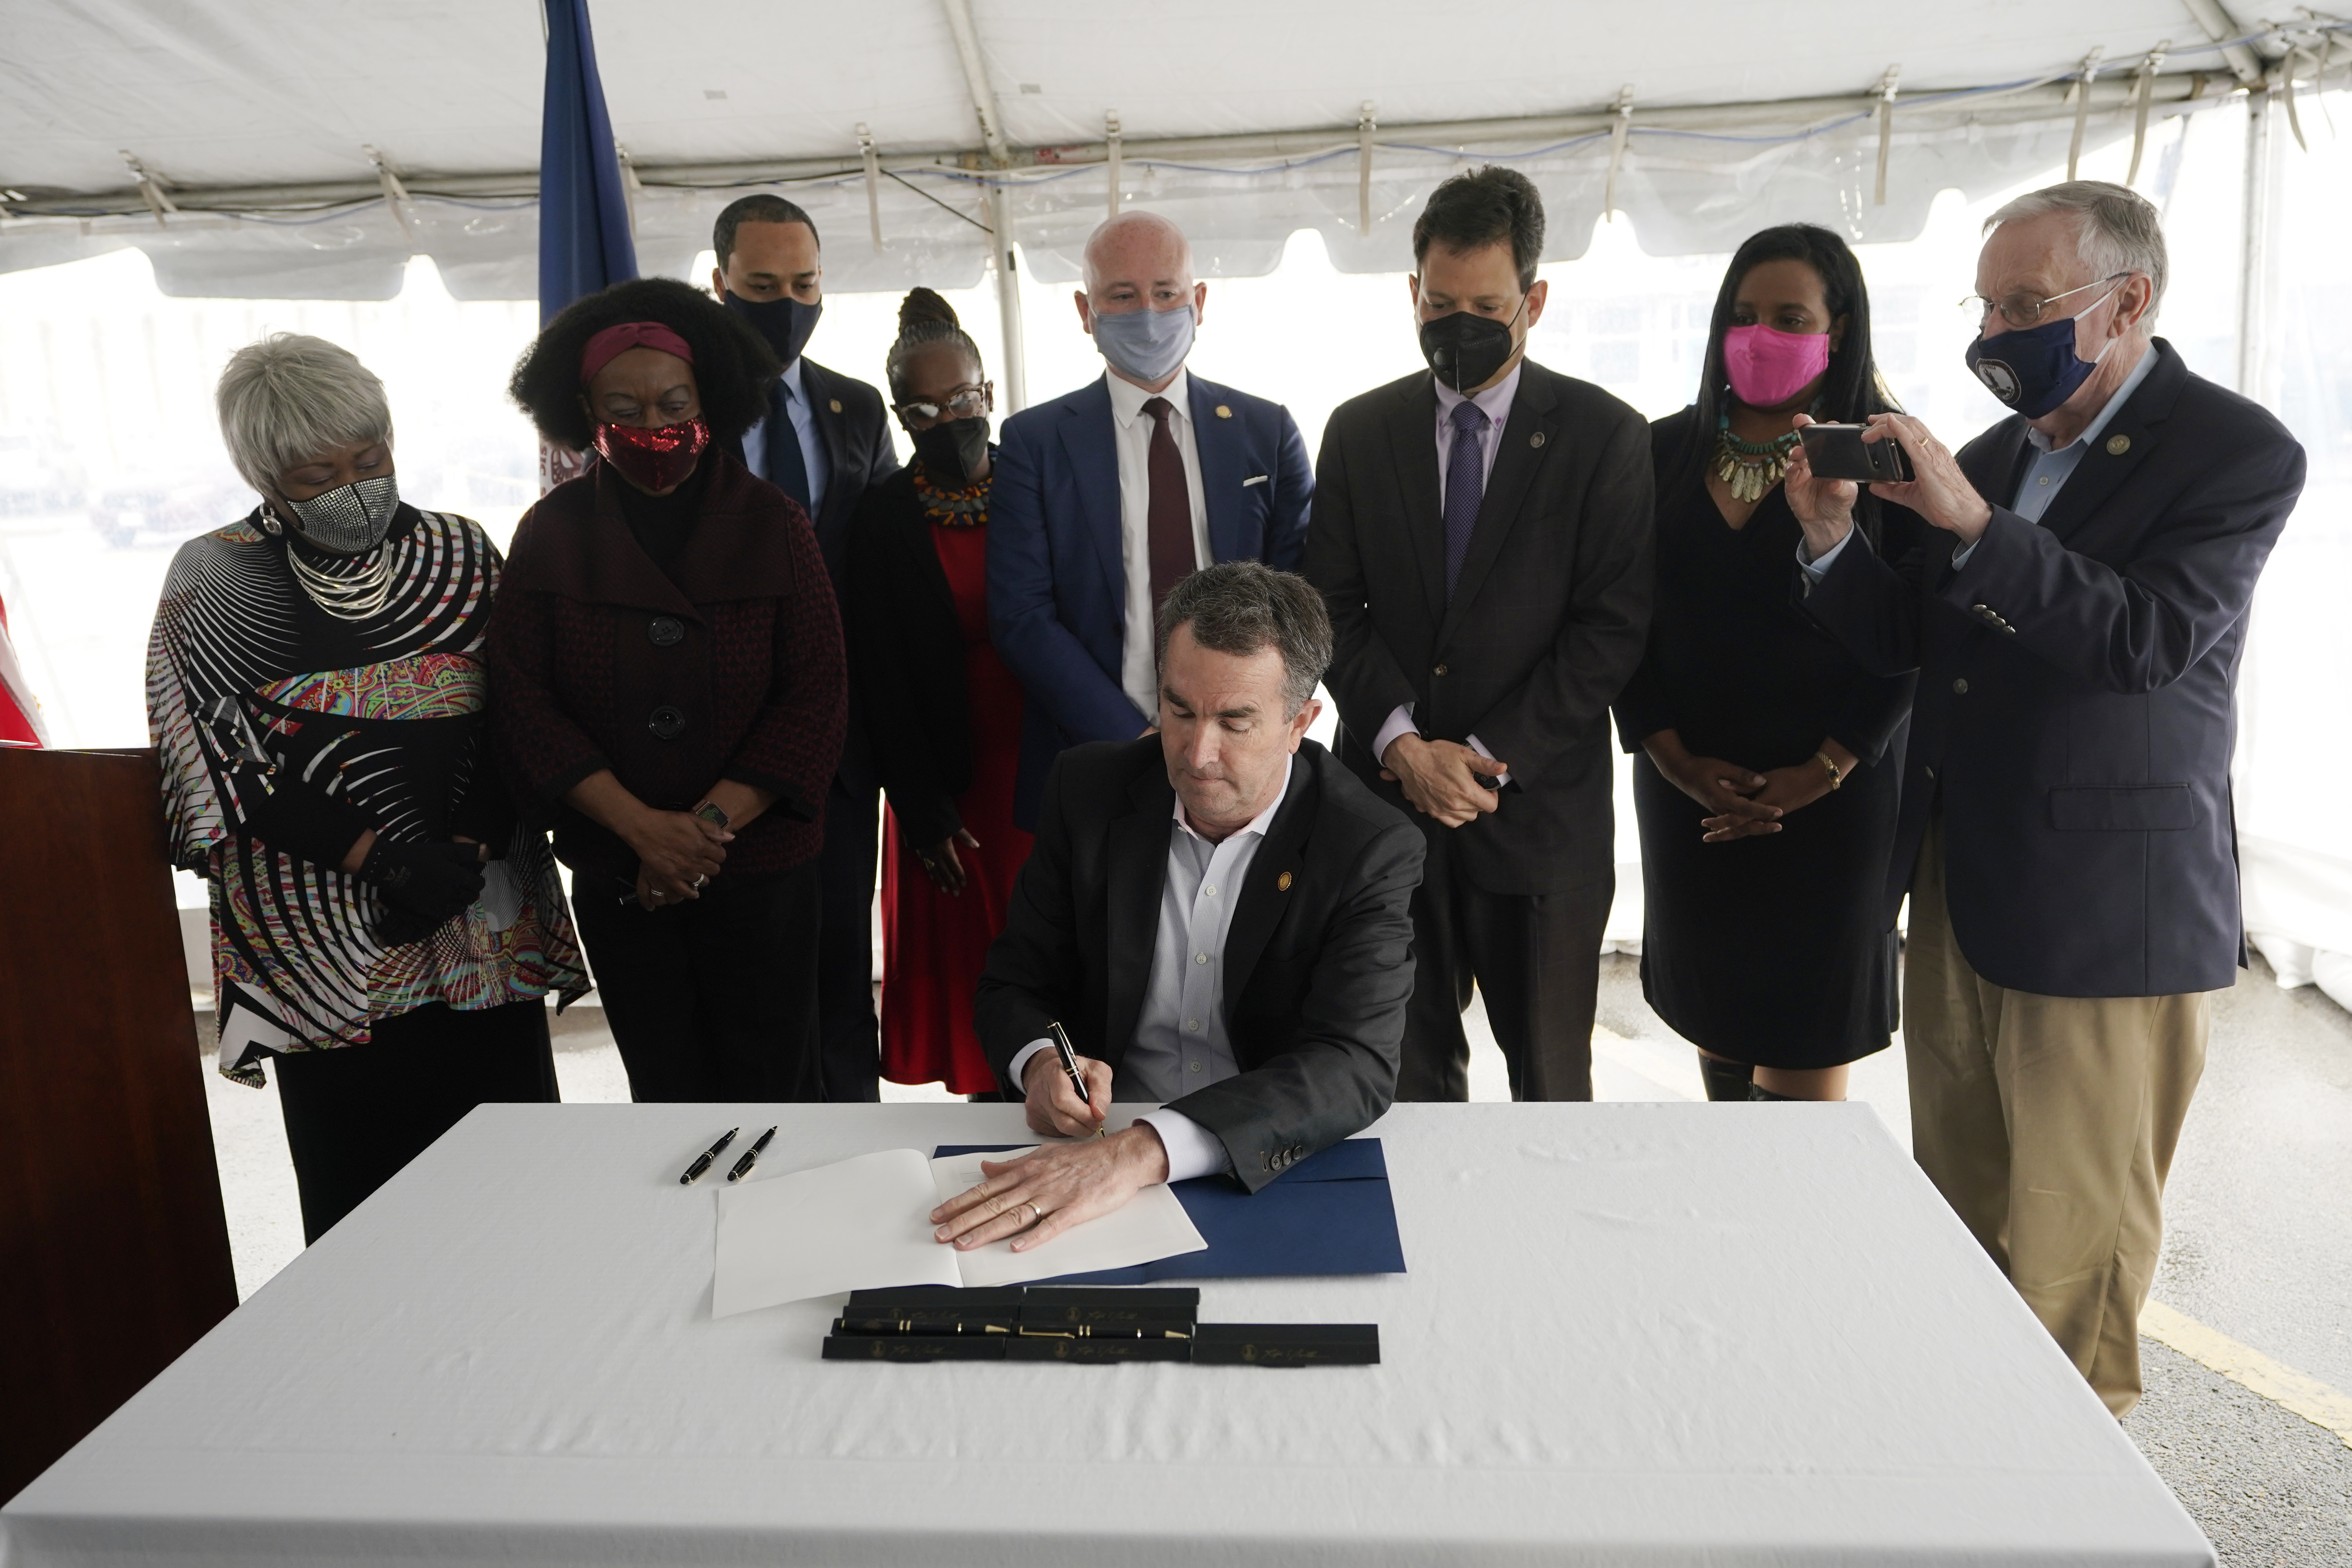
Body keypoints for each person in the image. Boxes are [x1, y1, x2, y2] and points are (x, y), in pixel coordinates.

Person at [1784, 180, 2305, 1416]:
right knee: (1963, 1217)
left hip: (2102, 910)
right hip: (1962, 881)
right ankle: (1979, 1464)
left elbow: (2146, 641)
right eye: (1986, 304)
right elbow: (1901, 640)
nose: (1993, 331)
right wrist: (1827, 538)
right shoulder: (1998, 455)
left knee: (2075, 1253)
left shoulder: (2235, 451)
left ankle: (2080, 1504)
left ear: (2127, 302)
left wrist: (1969, 525)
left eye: (2026, 304)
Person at [148, 333, 586, 1243]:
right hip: (327, 942)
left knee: (519, 1188)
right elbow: (223, 758)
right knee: (363, 1204)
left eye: (370, 458)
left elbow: (520, 712)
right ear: (262, 473)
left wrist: (463, 847)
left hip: (475, 914)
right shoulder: (213, 575)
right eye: (317, 474)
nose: (355, 487)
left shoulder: (462, 550)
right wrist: (382, 859)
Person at [936, 562, 1420, 1249]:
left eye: (1235, 721)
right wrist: (1042, 1065)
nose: (1198, 754)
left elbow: (1354, 1063)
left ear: (1300, 722)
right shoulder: (1087, 791)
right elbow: (1013, 984)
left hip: (1257, 1166)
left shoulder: (1369, 846)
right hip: (1086, 1156)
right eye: (1179, 711)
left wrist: (1141, 1152)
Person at [1305, 165, 1652, 1103]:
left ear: (1533, 300)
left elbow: (1610, 631)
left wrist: (1486, 757)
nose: (1459, 325)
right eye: (1440, 302)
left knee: (1550, 1084)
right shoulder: (1359, 431)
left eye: (1488, 304)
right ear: (1412, 294)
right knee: (1400, 1087)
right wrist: (1404, 745)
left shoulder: (1604, 436)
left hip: (1536, 822)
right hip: (1385, 809)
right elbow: (1331, 603)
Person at [489, 278, 847, 1103]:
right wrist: (643, 834)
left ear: (708, 397)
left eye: (673, 401)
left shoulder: (775, 521)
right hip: (622, 873)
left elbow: (817, 694)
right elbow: (523, 702)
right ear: (584, 409)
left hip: (761, 875)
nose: (653, 425)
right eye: (626, 406)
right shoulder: (549, 532)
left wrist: (700, 835)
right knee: (665, 1093)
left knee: (776, 1096)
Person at [1612, 225, 1922, 1103]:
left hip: (1830, 804)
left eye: (1790, 318)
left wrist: (1820, 772)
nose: (1761, 335)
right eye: (1744, 316)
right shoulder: (1655, 452)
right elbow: (1618, 623)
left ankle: (1800, 1233)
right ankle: (1734, 1225)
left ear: (1841, 329)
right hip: (1688, 798)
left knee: (1800, 1060)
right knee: (1720, 1027)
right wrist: (1671, 758)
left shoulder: (1886, 461)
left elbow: (1906, 643)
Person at [988, 209, 1313, 833]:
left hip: (1246, 766)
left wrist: (1234, 730)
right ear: (1087, 312)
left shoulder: (1265, 433)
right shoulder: (1035, 442)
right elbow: (1020, 615)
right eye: (1123, 296)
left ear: (1199, 300)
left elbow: (1299, 595)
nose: (1148, 312)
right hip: (1092, 758)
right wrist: (1138, 736)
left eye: (1166, 294)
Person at [710, 192, 901, 1103]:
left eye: (804, 283)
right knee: (744, 987)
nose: (786, 301)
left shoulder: (855, 407)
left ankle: (858, 1152)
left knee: (836, 965)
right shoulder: (676, 413)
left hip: (837, 748)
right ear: (719, 285)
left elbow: (887, 568)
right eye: (761, 285)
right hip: (713, 756)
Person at [848, 289, 1030, 1097]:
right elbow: (877, 674)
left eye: (962, 399)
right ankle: (990, 1104)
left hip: (1042, 756)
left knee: (1051, 938)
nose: (949, 419)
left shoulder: (1038, 484)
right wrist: (920, 808)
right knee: (975, 958)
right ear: (900, 416)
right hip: (944, 774)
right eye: (925, 409)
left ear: (988, 395)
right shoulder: (880, 517)